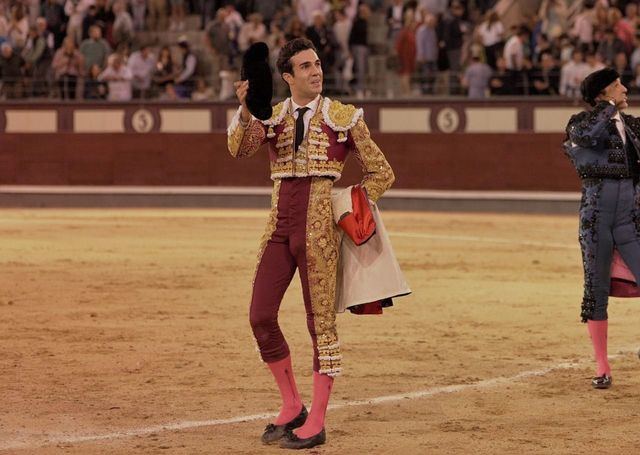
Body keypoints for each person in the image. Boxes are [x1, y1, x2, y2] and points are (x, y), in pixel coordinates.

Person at [227, 37, 394, 449]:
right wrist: (246, 108)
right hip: (279, 226)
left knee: (320, 325)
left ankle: (316, 421)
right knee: (259, 316)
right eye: (305, 66)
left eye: (317, 64)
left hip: (320, 232)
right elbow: (238, 148)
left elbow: (381, 172)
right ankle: (292, 405)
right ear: (287, 76)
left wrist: (348, 207)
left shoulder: (343, 117)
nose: (316, 71)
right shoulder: (272, 114)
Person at [563, 67, 640, 390]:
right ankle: (603, 367)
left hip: (629, 215)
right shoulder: (579, 123)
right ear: (603, 93)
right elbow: (586, 137)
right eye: (617, 85)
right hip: (595, 216)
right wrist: (607, 109)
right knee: (595, 290)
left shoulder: (634, 126)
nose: (625, 89)